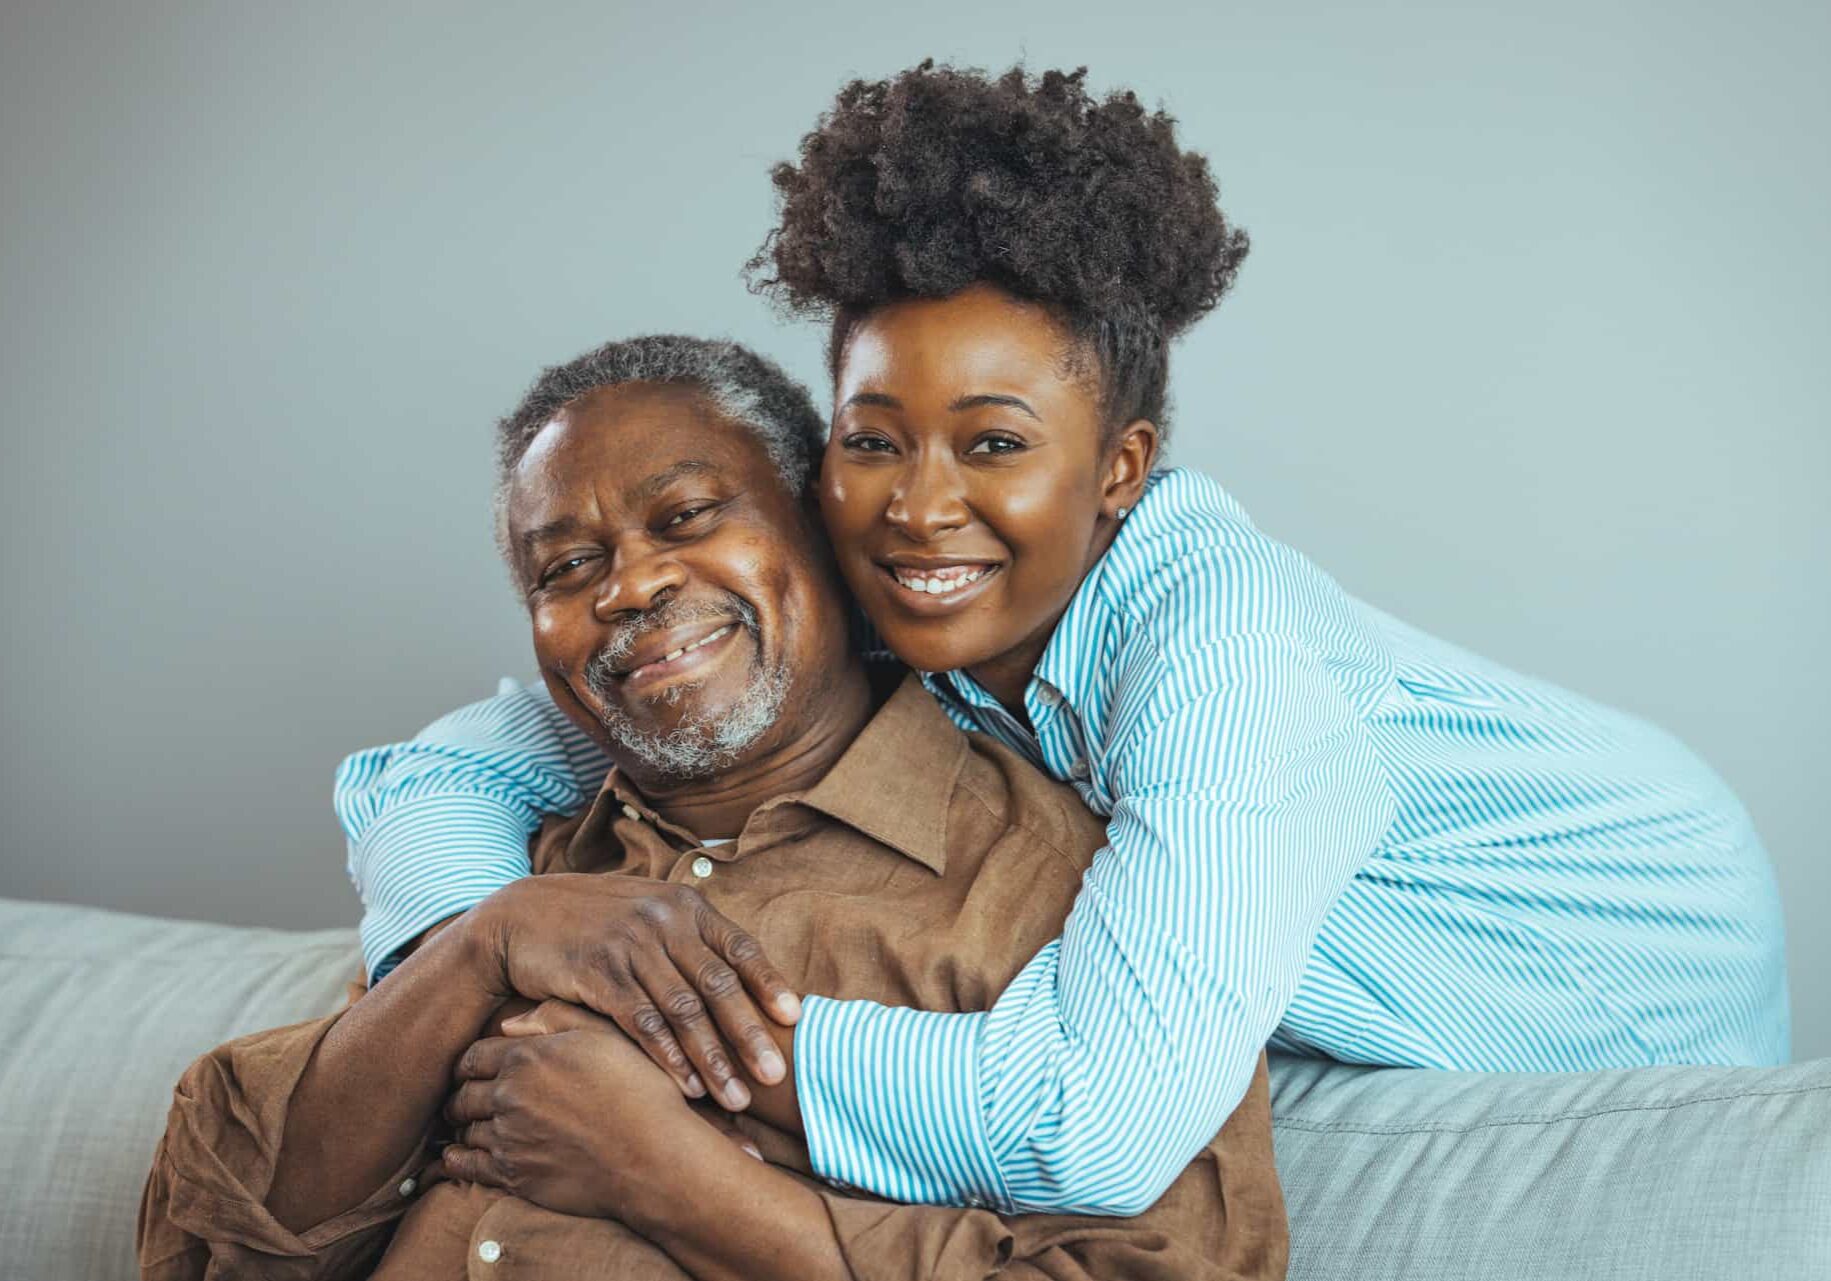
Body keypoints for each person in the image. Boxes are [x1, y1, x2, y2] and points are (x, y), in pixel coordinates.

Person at [336, 62, 1789, 1216]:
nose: (917, 508)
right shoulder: (860, 579)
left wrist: (642, 1047)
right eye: (870, 440)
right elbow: (435, 773)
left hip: (1611, 953)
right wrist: (477, 951)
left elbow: (1086, 1123)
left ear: (1117, 471)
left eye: (994, 442)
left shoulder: (1218, 652)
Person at [139, 336, 1288, 1281]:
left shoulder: (1075, 896)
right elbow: (219, 1240)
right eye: (563, 568)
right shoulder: (517, 873)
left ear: (830, 532)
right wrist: (487, 947)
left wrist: (667, 1177)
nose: (627, 586)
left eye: (686, 518)